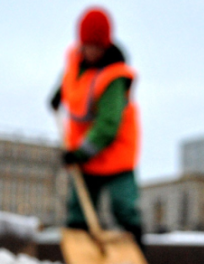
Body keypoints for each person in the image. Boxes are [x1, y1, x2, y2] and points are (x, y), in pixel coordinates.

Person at [50, 6, 144, 250]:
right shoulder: (75, 59)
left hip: (115, 154)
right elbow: (69, 79)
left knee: (123, 207)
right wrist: (57, 95)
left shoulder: (114, 77)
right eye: (87, 45)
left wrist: (79, 153)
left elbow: (108, 125)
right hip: (86, 154)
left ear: (106, 45)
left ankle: (137, 251)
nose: (91, 51)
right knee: (78, 211)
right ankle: (81, 256)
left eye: (97, 46)